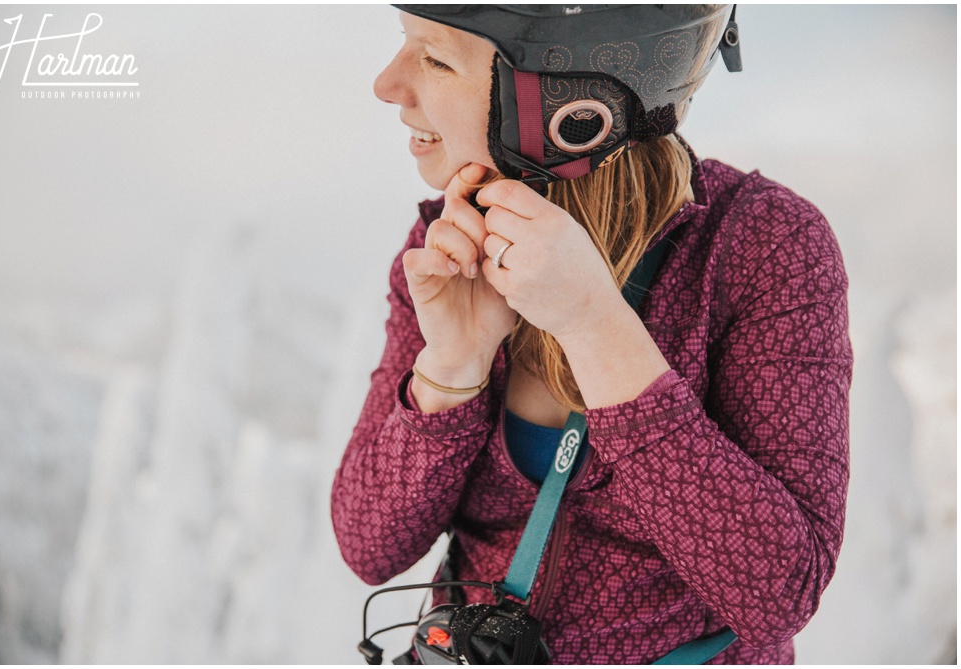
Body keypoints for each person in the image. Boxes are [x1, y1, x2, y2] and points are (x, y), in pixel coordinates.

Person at [332, 5, 851, 664]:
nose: (387, 83)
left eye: (436, 58)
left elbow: (778, 593)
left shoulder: (761, 246)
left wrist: (595, 326)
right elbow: (367, 545)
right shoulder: (450, 241)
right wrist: (453, 365)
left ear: (566, 98)